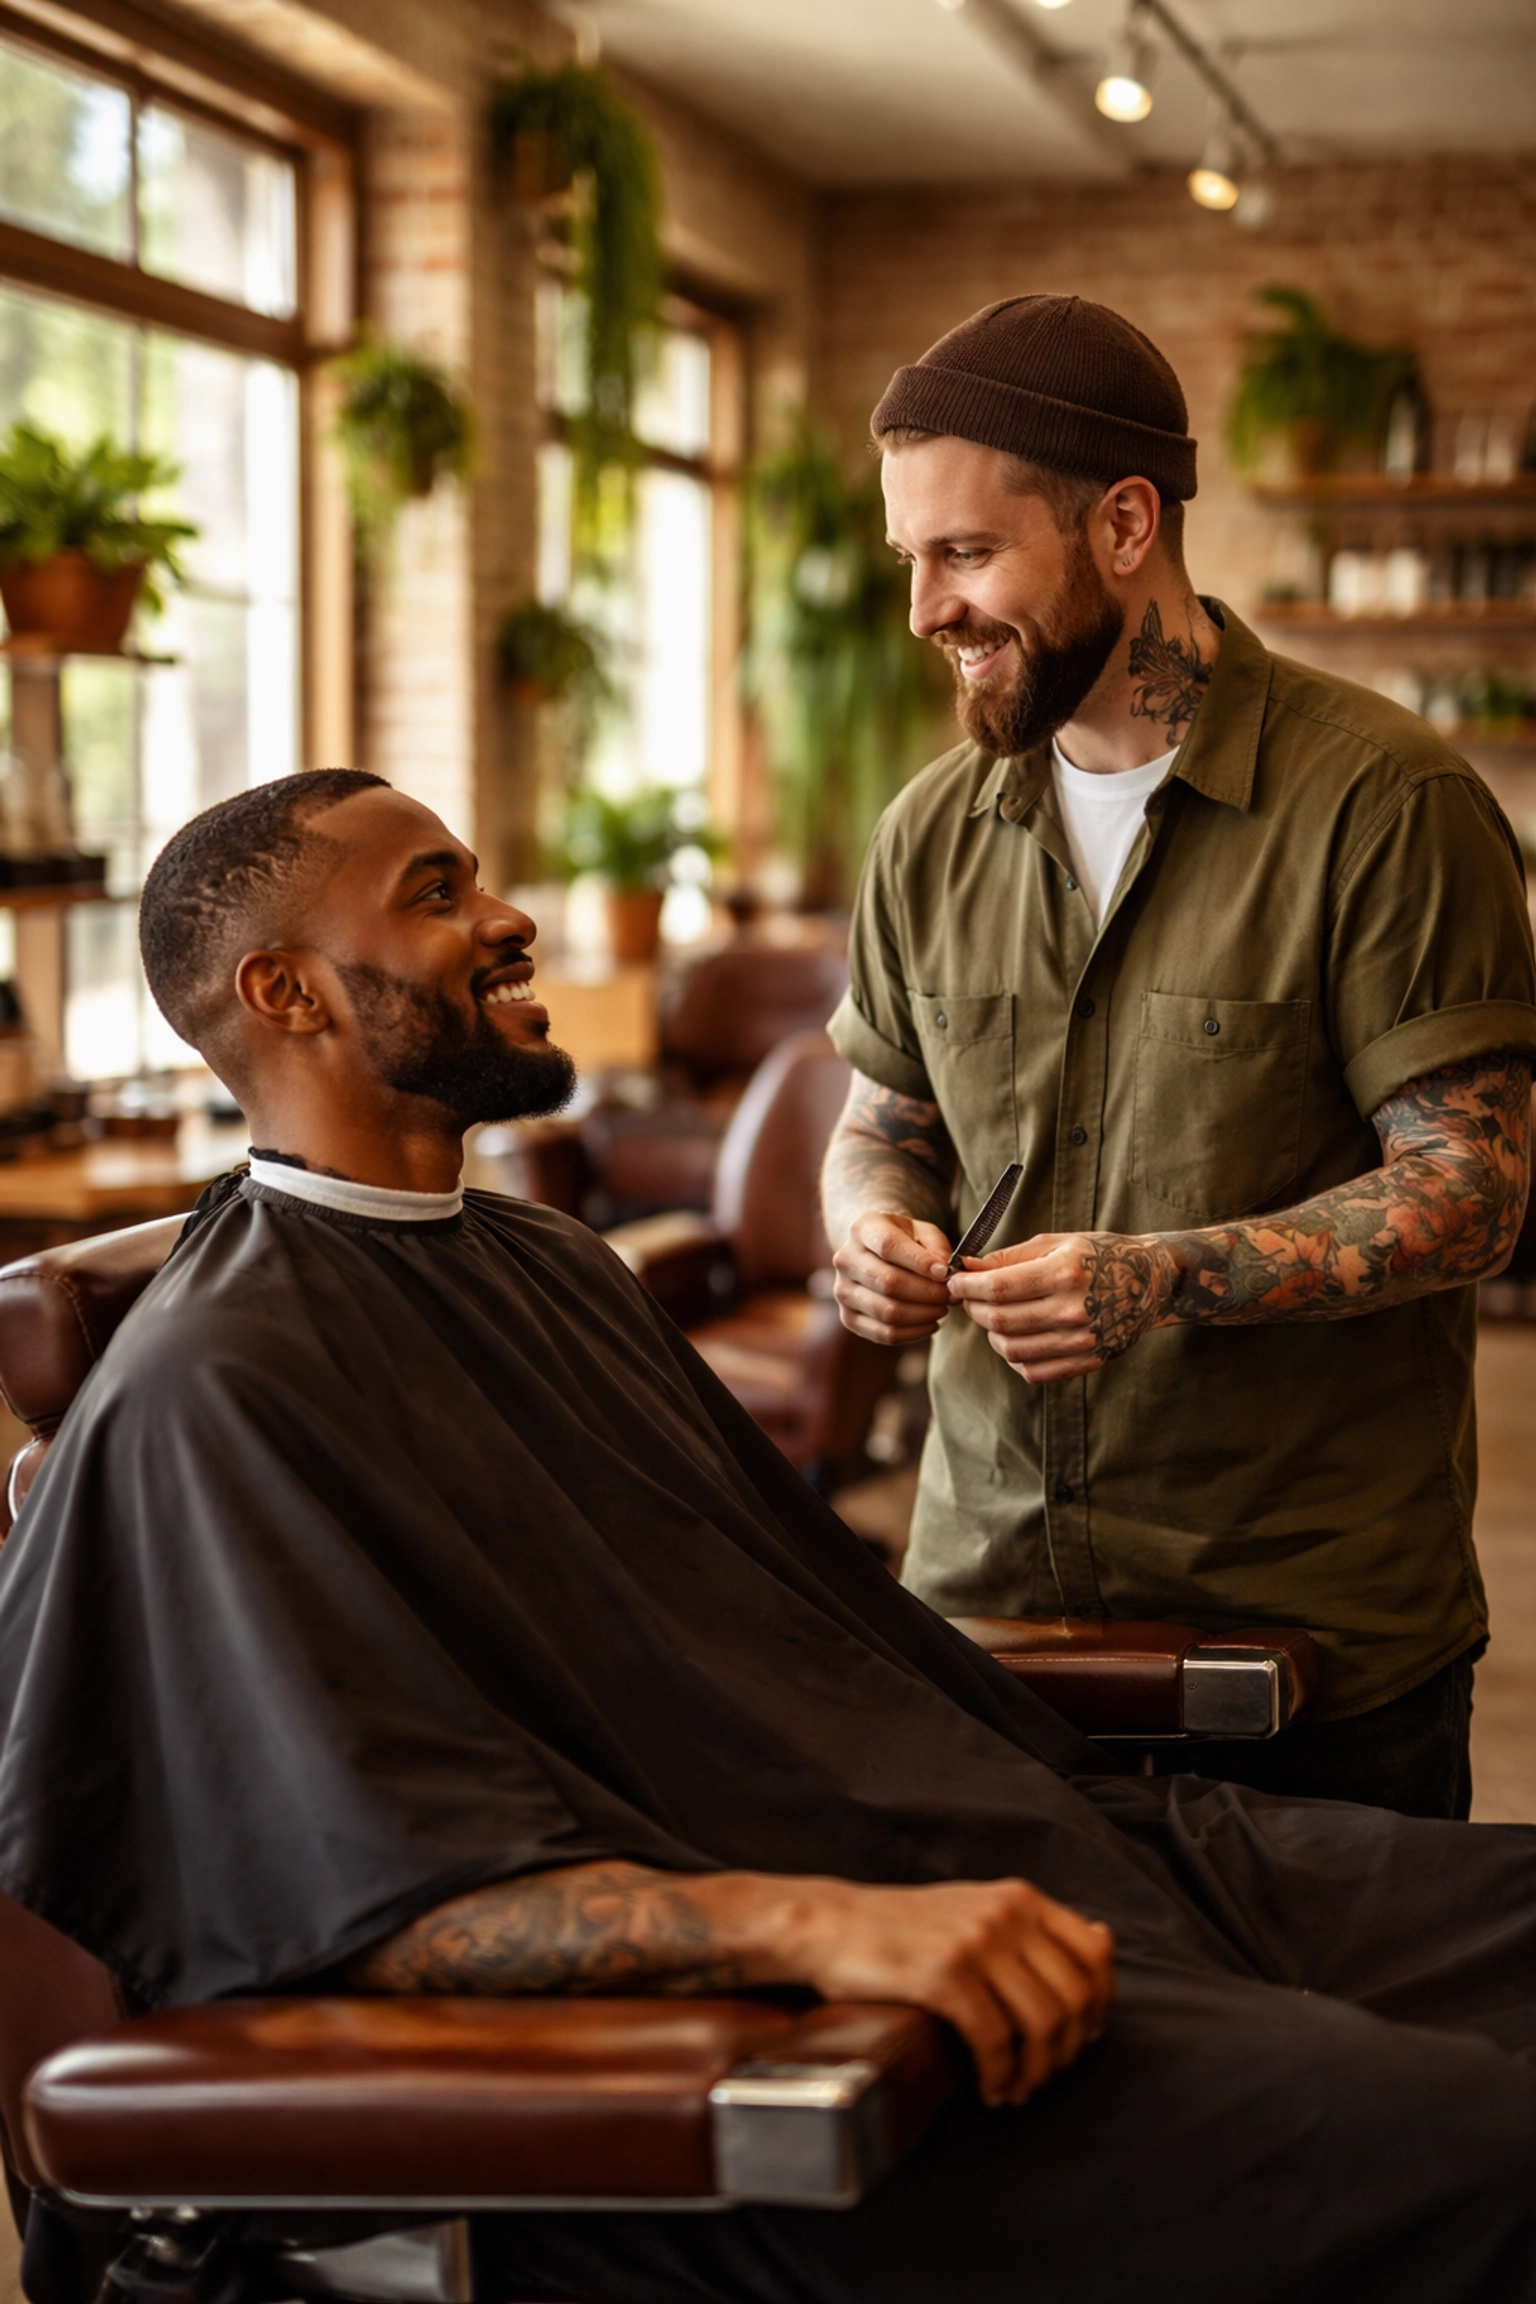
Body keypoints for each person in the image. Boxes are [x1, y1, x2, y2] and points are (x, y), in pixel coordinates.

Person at [3, 772, 1536, 2303]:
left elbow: (773, 1635)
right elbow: (344, 1892)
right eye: (434, 893)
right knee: (1482, 2144)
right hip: (843, 2024)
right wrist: (824, 1920)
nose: (509, 915)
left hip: (1044, 1842)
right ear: (286, 992)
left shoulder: (544, 1260)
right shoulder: (215, 1391)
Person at [822, 292, 1536, 1819]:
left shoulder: (1388, 806)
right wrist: (866, 1222)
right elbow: (884, 1118)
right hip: (986, 1606)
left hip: (1305, 1634)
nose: (924, 613)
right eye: (911, 561)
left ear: (1127, 524)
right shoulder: (925, 835)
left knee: (1336, 2059)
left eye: (964, 554)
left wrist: (1153, 1275)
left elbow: (1471, 1192)